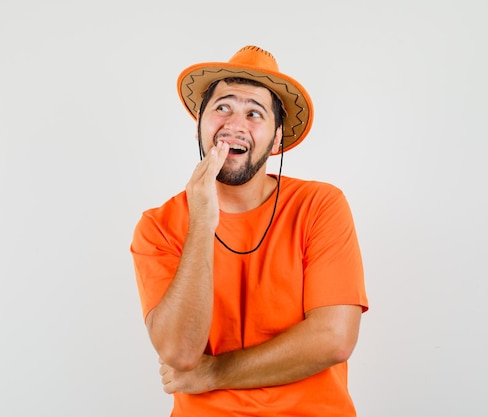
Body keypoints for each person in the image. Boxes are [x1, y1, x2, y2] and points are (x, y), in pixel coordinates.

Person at [130, 45, 369, 417]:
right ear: (201, 124)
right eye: (222, 106)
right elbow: (178, 352)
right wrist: (202, 224)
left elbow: (333, 339)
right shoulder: (158, 227)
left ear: (276, 141)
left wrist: (213, 374)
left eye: (254, 113)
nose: (234, 124)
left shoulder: (320, 205)